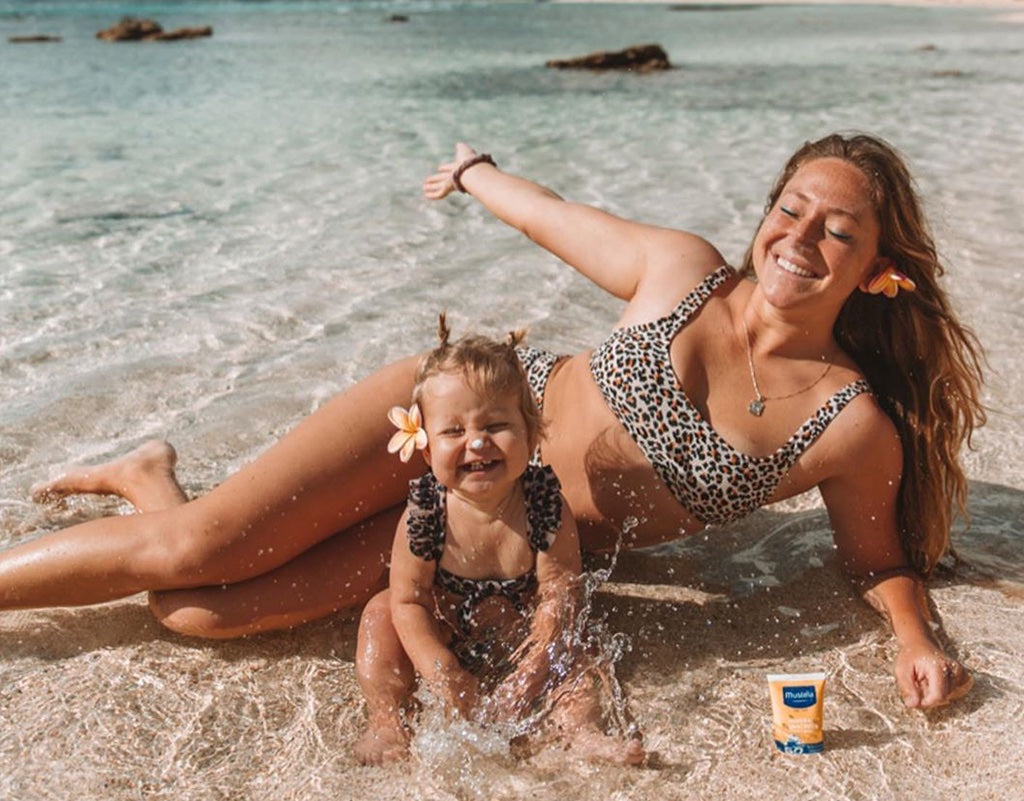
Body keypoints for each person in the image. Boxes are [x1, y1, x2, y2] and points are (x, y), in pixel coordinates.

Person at [5, 132, 983, 711]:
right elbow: (546, 212)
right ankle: (160, 504)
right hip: (457, 416)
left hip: (503, 535)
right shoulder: (682, 270)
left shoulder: (850, 425)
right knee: (196, 546)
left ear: (877, 267)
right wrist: (474, 169)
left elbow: (875, 560)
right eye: (790, 208)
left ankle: (145, 473)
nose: (799, 237)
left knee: (203, 613)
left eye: (836, 229)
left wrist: (912, 638)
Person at [353, 318, 644, 765]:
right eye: (453, 431)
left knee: (579, 643)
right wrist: (437, 665)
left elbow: (558, 593)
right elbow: (409, 600)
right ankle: (387, 723)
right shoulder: (426, 510)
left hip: (520, 631)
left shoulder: (543, 504)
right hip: (447, 626)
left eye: (495, 425)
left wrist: (533, 667)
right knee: (379, 614)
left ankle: (581, 730)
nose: (476, 442)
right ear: (427, 449)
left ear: (531, 434)